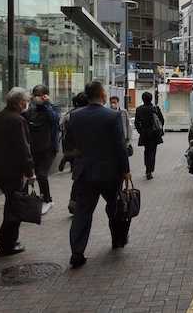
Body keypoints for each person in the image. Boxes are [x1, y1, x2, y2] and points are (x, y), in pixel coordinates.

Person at [66, 81, 130, 268]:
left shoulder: (75, 116)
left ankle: (77, 252)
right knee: (115, 206)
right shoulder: (112, 115)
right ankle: (118, 239)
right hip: (110, 172)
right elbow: (120, 146)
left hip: (85, 172)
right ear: (102, 94)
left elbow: (71, 144)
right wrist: (126, 170)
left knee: (82, 212)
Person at [0, 88, 35, 257]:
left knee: (11, 203)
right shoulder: (17, 120)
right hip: (12, 170)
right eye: (25, 101)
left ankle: (7, 241)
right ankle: (6, 244)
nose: (27, 104)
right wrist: (30, 171)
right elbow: (23, 149)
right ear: (20, 102)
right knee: (14, 206)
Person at [22, 84, 60, 215]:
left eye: (39, 95)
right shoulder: (31, 110)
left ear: (45, 96)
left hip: (49, 149)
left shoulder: (52, 108)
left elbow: (55, 119)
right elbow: (22, 119)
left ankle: (47, 200)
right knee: (29, 175)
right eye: (35, 95)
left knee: (42, 175)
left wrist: (46, 104)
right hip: (34, 148)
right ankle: (25, 202)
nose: (36, 98)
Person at [59, 92, 89, 215]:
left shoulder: (70, 114)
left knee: (78, 179)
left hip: (73, 149)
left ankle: (73, 202)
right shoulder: (87, 115)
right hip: (85, 152)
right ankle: (79, 204)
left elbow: (62, 127)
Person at [134, 91, 164, 180]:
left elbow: (136, 122)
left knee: (146, 151)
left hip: (144, 133)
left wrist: (141, 131)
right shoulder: (155, 108)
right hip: (154, 134)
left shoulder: (139, 109)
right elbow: (162, 120)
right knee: (153, 152)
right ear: (151, 99)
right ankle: (150, 170)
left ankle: (147, 169)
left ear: (143, 99)